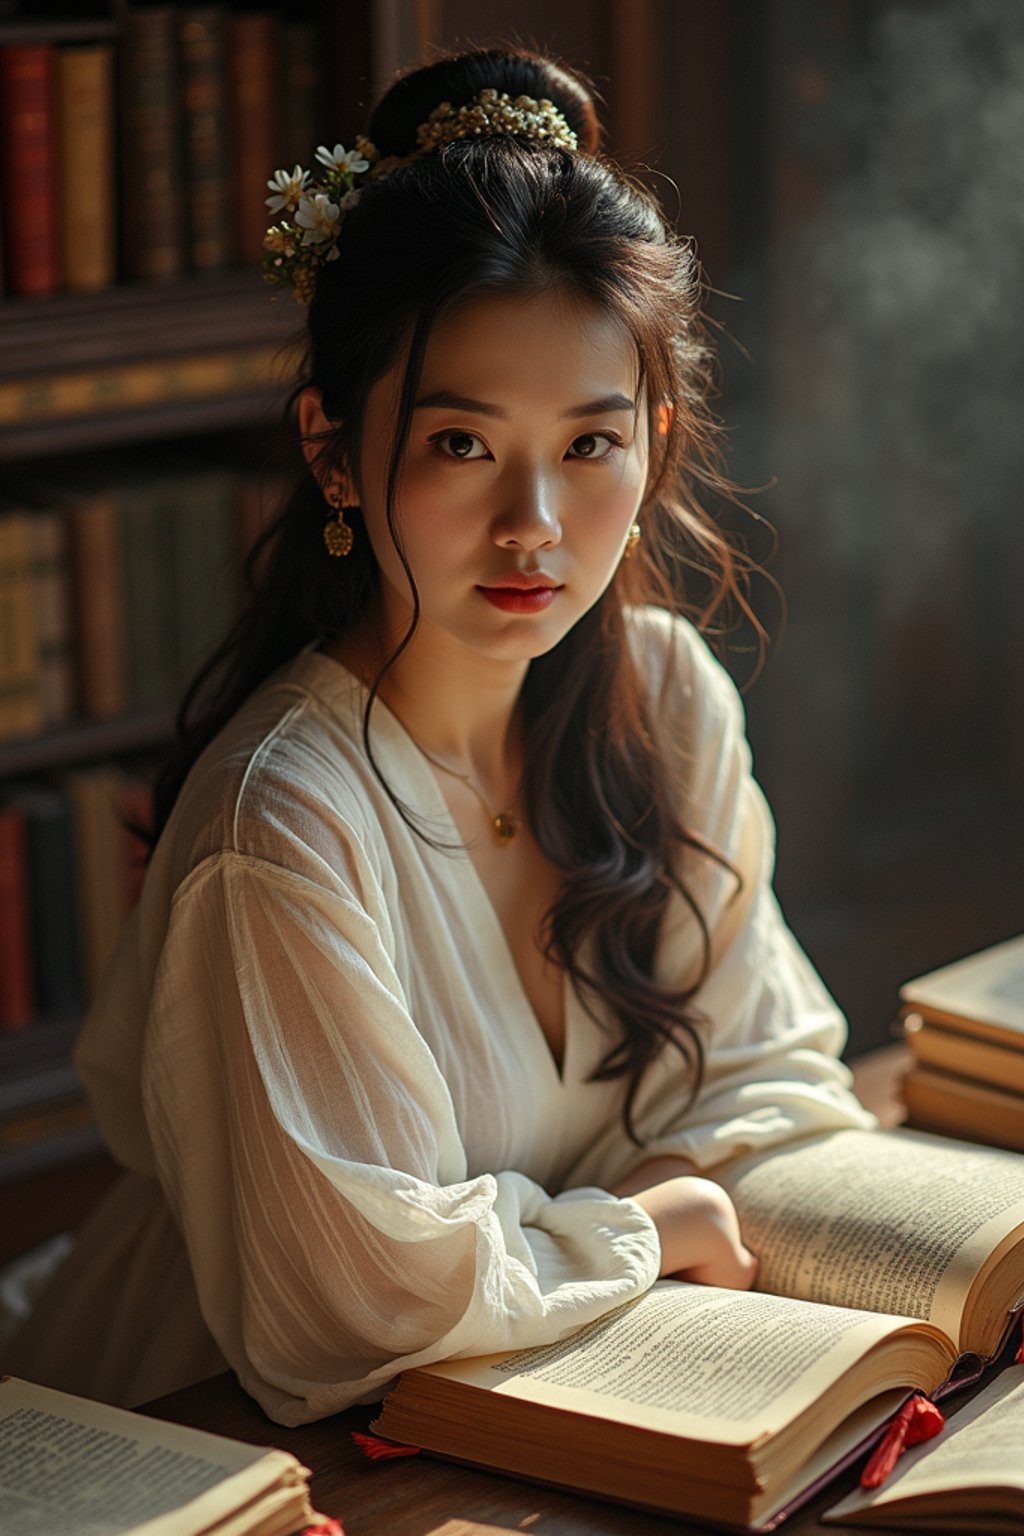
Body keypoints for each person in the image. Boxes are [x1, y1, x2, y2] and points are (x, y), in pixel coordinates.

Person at [3, 46, 875, 1424]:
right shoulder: (284, 824)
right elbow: (352, 1304)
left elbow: (770, 1068)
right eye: (463, 444)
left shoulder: (661, 693)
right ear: (336, 451)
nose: (534, 523)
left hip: (563, 1371)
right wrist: (645, 1225)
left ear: (654, 442)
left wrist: (630, 1222)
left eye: (590, 445)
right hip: (206, 1426)